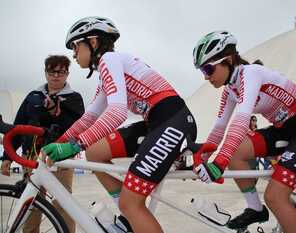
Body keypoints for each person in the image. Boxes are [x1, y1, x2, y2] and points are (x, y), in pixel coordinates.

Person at [41, 17, 197, 233]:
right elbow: (90, 117)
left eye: (76, 47)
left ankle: (130, 211)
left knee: (130, 203)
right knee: (95, 153)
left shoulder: (109, 60)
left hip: (173, 121)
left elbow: (117, 112)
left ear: (93, 42)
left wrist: (76, 145)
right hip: (157, 122)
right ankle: (129, 220)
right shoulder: (107, 71)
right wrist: (60, 142)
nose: (74, 54)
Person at [192, 30, 296, 233]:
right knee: (237, 152)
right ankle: (255, 208)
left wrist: (218, 163)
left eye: (208, 69)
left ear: (228, 60)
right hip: (284, 129)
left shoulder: (251, 73)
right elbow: (219, 128)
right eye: (202, 72)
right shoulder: (230, 88)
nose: (205, 77)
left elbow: (241, 120)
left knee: (275, 196)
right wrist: (204, 158)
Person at [0, 55, 84, 233]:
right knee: (32, 201)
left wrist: (57, 113)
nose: (56, 75)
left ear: (67, 74)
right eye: (52, 71)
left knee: (64, 201)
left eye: (61, 71)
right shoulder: (33, 96)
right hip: (31, 156)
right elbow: (18, 126)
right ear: (45, 73)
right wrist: (8, 157)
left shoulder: (75, 98)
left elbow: (79, 128)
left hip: (61, 158)